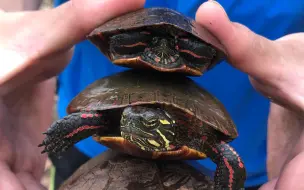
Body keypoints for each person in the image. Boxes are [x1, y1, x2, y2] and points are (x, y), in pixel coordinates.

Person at [0, 0, 303, 189]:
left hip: (264, 153)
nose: (132, 120)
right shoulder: (116, 119)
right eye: (137, 119)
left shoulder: (196, 133)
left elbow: (227, 157)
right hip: (89, 154)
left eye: (144, 122)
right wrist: (24, 39)